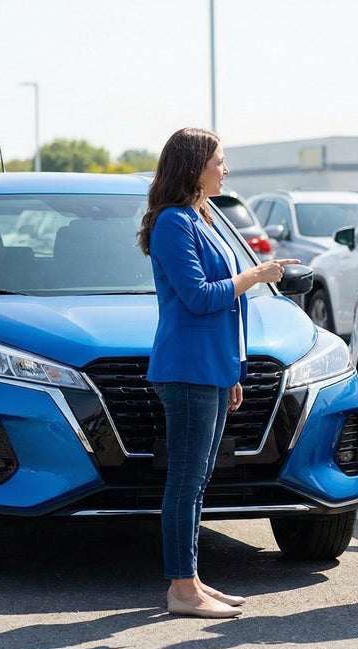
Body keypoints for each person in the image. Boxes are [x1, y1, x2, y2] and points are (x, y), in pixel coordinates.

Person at [138, 127, 299, 619]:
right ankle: (181, 590)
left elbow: (229, 310)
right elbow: (202, 296)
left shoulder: (201, 216)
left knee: (198, 479)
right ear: (194, 166)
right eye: (219, 161)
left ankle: (193, 581)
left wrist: (234, 371)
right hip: (186, 368)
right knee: (186, 482)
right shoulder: (172, 223)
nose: (225, 169)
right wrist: (258, 275)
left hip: (210, 367)